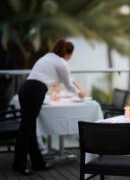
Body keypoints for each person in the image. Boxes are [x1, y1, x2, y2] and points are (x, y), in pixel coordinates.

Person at [13, 38, 85, 175]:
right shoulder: (61, 62)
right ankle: (19, 164)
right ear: (67, 53)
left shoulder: (47, 57)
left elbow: (65, 79)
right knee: (26, 129)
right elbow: (69, 84)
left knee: (29, 127)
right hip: (35, 90)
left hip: (25, 88)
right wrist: (79, 93)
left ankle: (38, 163)